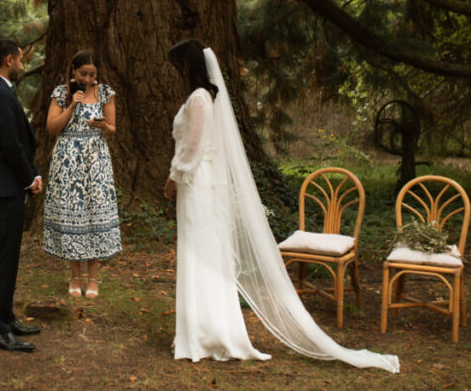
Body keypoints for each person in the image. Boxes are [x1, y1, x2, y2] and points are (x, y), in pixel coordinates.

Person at [165, 39, 399, 372]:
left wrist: (174, 176)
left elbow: (193, 147)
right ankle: (197, 330)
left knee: (202, 253)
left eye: (177, 67)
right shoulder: (204, 98)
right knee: (200, 254)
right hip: (199, 184)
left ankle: (206, 332)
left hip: (197, 184)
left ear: (186, 66)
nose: (175, 74)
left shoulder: (200, 99)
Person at [0, 39, 43, 352]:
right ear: (8, 59)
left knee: (9, 257)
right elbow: (10, 145)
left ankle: (6, 317)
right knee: (3, 259)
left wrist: (31, 173)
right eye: (20, 60)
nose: (22, 65)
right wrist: (29, 178)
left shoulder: (1, 90)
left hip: (6, 187)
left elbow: (17, 141)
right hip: (2, 188)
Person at [43, 50, 121, 298]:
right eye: (83, 73)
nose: (87, 79)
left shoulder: (105, 93)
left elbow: (112, 128)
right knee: (72, 214)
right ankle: (74, 277)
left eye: (92, 74)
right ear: (73, 71)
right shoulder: (62, 93)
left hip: (96, 160)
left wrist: (103, 126)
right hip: (67, 160)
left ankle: (94, 278)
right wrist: (73, 105)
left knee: (95, 214)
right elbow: (52, 128)